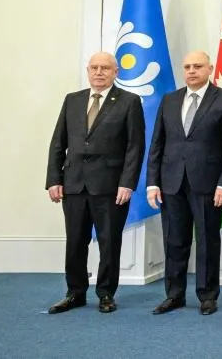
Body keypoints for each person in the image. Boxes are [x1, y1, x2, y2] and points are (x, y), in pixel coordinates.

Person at [45, 52, 146, 314]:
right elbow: (58, 143)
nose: (99, 72)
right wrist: (54, 179)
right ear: (88, 71)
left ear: (116, 72)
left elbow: (135, 147)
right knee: (75, 242)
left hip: (110, 186)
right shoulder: (73, 100)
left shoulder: (129, 101)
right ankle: (75, 293)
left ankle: (105, 294)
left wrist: (127, 183)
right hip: (74, 184)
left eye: (105, 68)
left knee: (109, 242)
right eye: (94, 68)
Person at [146, 51, 222, 315]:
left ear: (209, 69)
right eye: (187, 66)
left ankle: (207, 295)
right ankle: (174, 295)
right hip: (171, 182)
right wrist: (152, 182)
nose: (191, 71)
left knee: (207, 241)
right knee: (174, 241)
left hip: (208, 184)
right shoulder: (169, 100)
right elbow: (157, 143)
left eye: (197, 66)